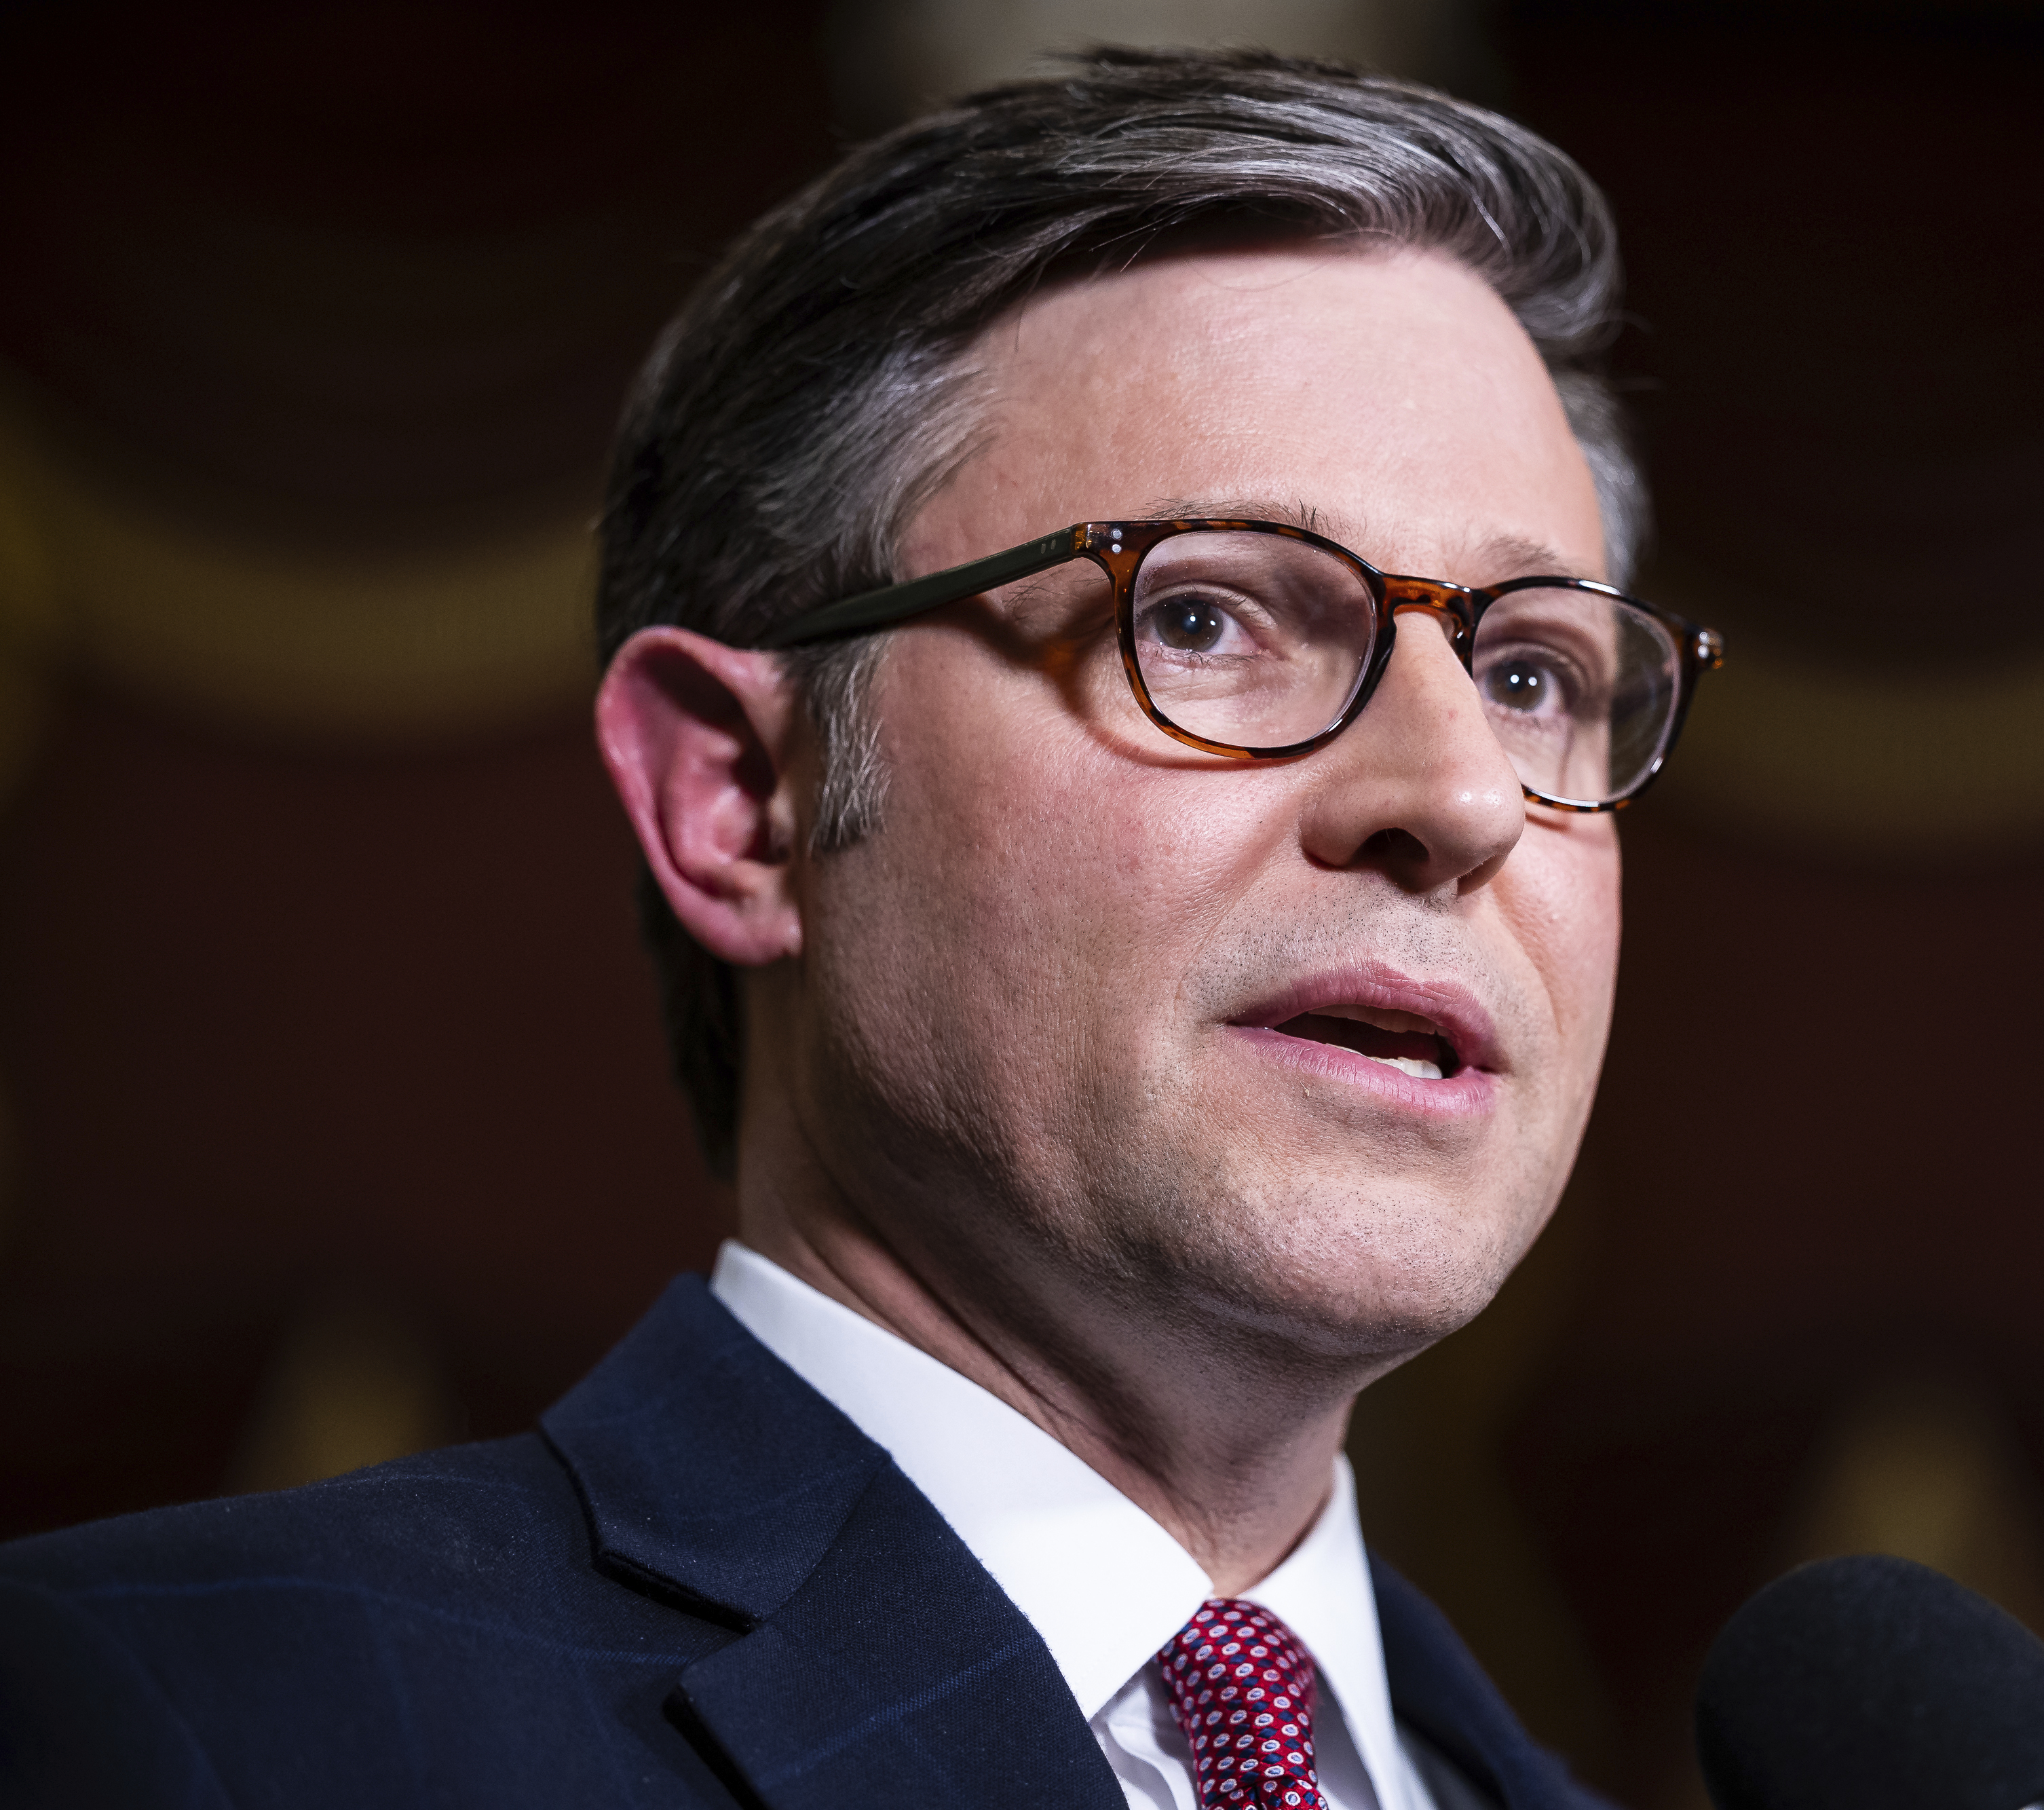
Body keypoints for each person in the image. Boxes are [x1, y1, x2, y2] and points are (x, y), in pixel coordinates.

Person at [0, 48, 1720, 1809]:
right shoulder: (170, 1724)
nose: (1461, 797)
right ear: (741, 800)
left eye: (1530, 672)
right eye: (1203, 618)